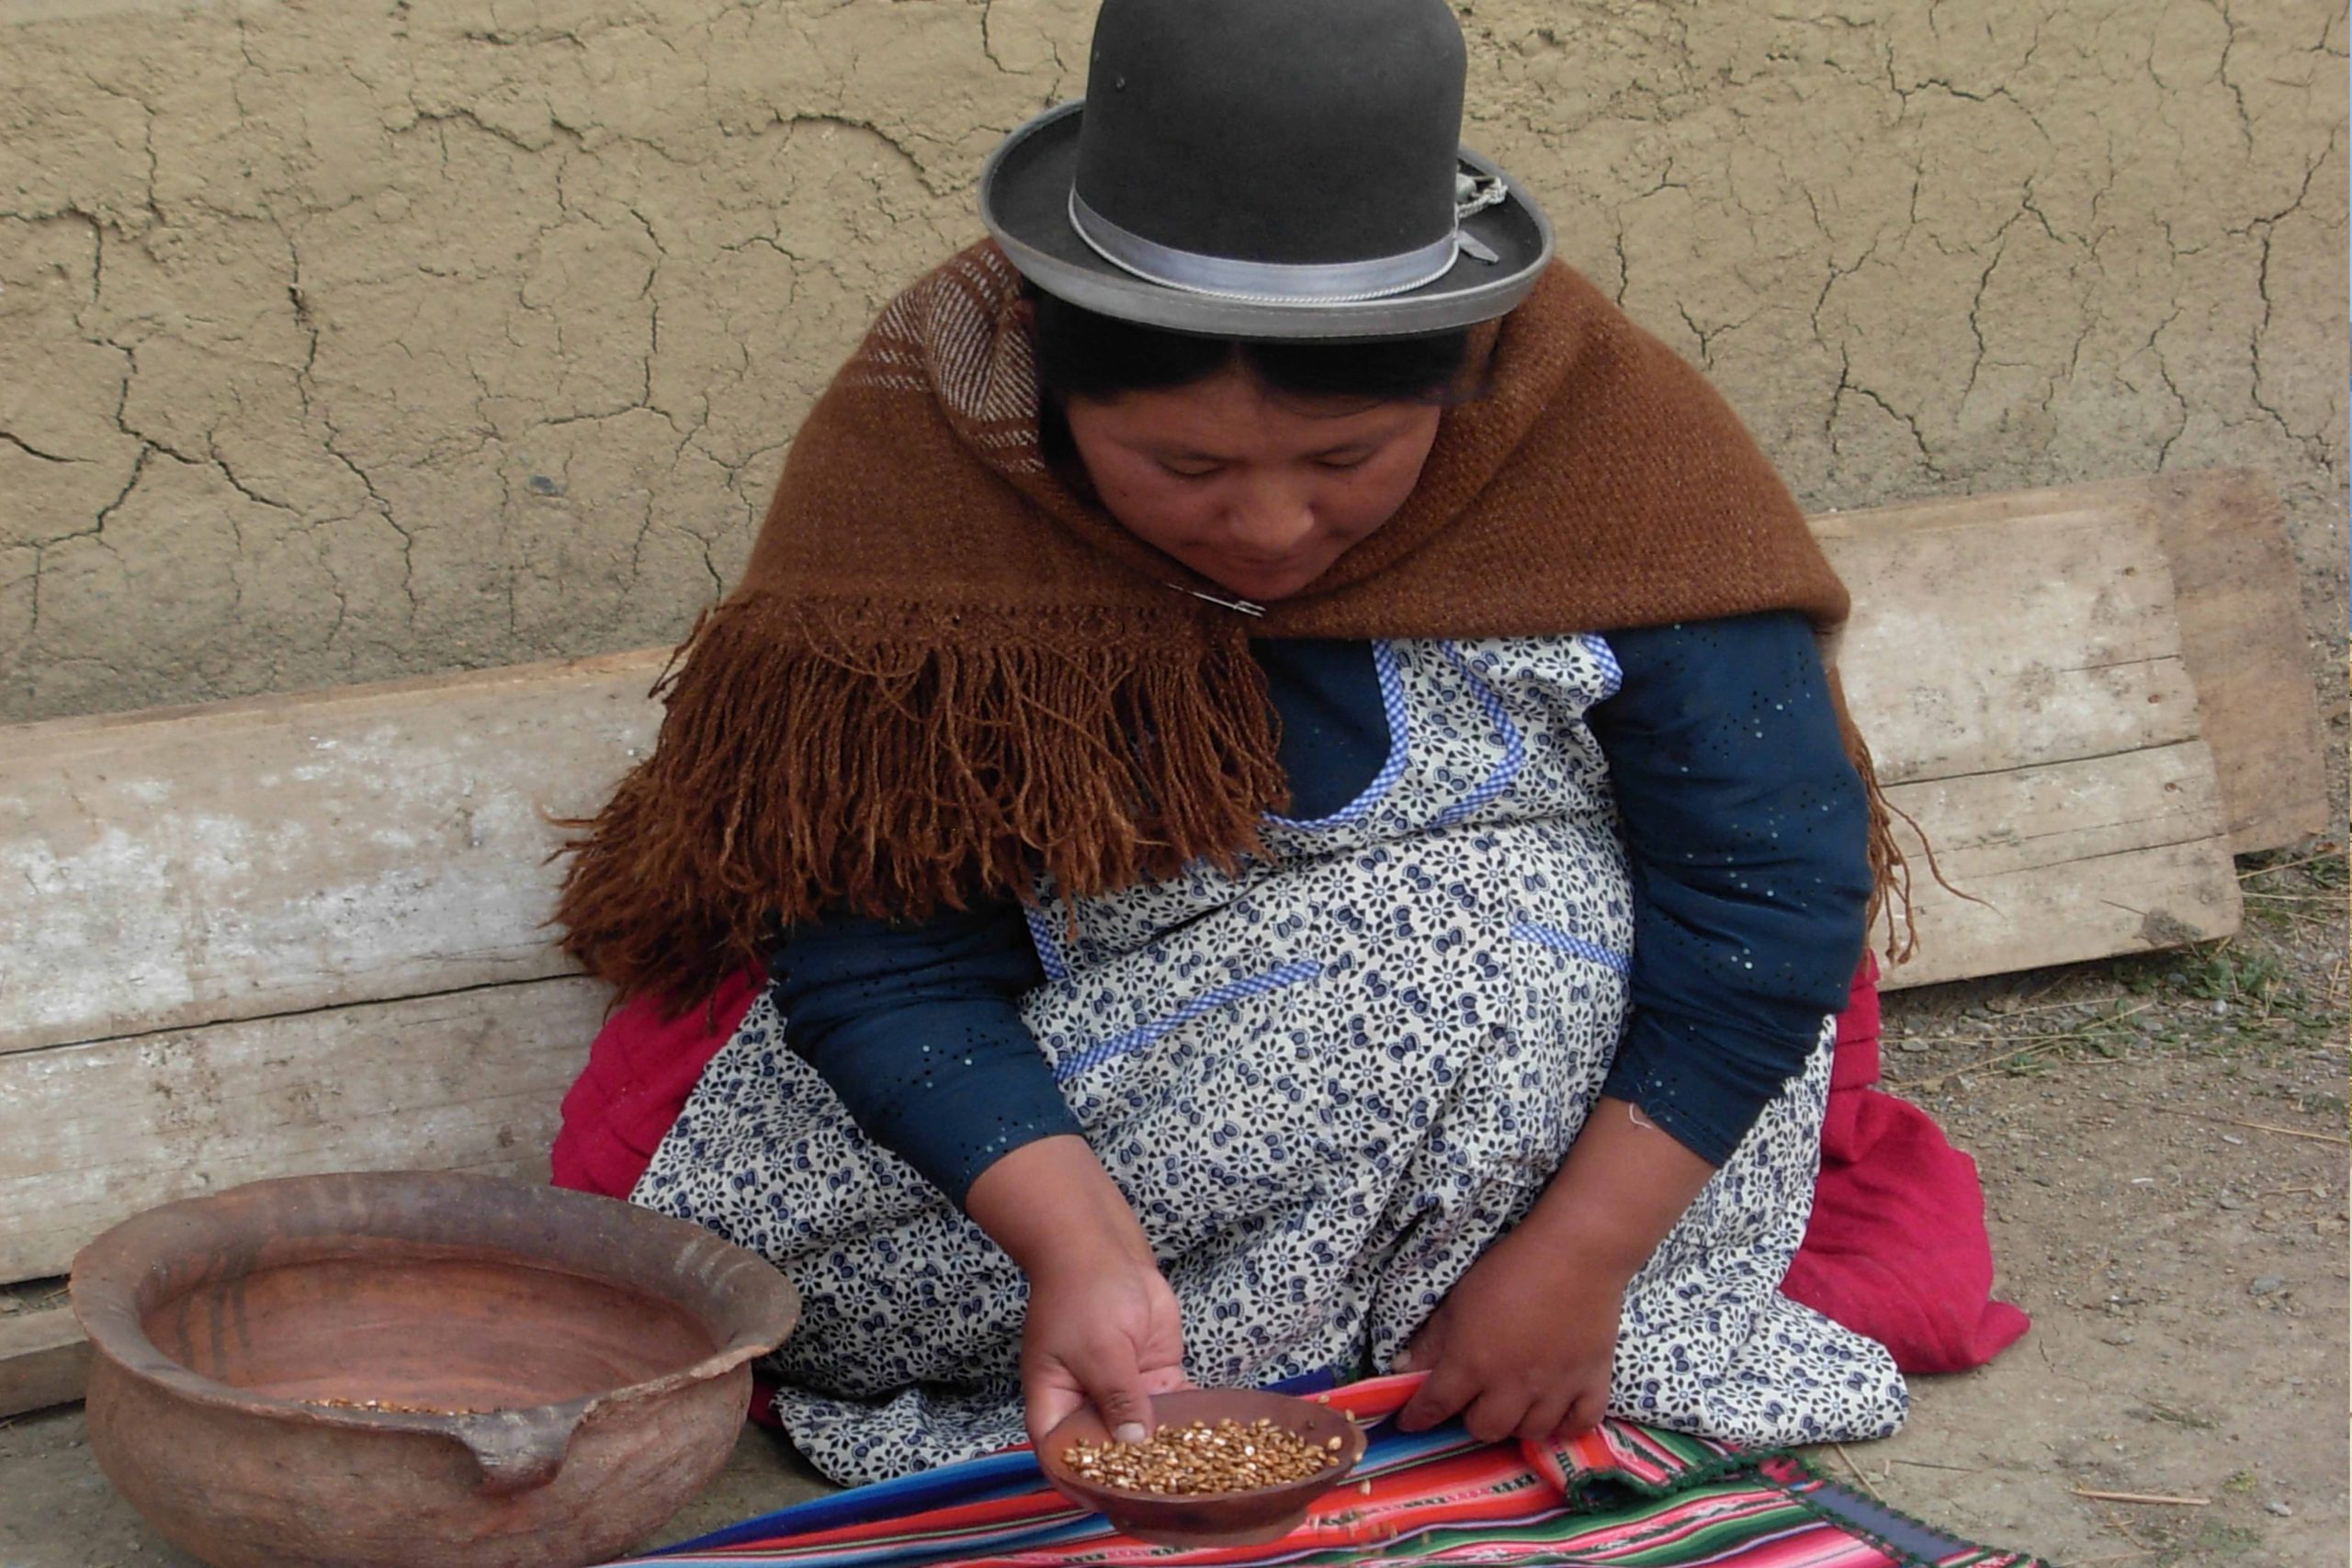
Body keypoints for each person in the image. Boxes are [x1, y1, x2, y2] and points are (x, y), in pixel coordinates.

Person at [550, 0, 1912, 1487]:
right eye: (1183, 463)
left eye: (1347, 458)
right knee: (1450, 946)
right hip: (1033, 1146)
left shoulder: (1611, 455)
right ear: (1057, 385)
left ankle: (1484, 1323)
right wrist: (1077, 1249)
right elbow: (882, 966)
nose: (1268, 527)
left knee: (1528, 923)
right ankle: (1242, 1352)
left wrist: (1581, 1261)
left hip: (1569, 1167)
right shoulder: (931, 463)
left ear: (1457, 378)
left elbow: (1769, 898)